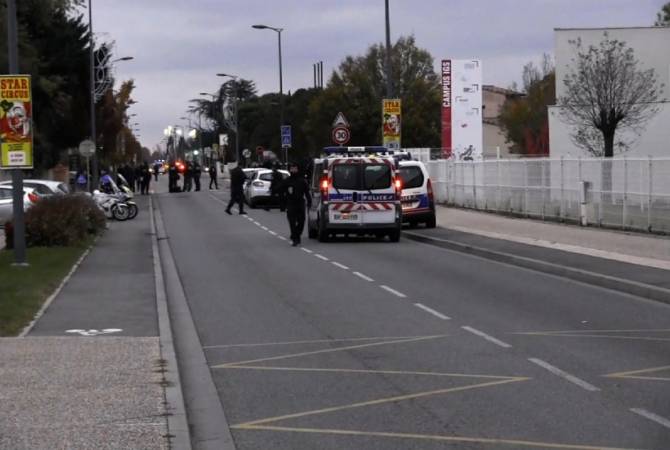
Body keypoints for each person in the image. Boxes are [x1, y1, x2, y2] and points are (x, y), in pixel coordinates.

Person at [276, 162, 312, 246]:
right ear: (290, 170)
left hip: (300, 203)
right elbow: (280, 188)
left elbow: (307, 192)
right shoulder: (287, 181)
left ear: (297, 169)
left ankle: (297, 234)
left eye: (295, 168)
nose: (293, 170)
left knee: (301, 222)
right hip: (291, 204)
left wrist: (309, 202)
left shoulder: (302, 181)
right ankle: (295, 238)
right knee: (292, 222)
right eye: (292, 168)